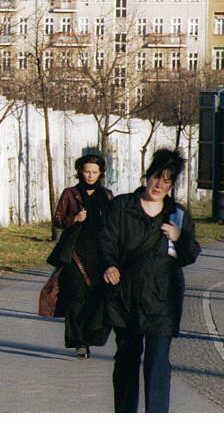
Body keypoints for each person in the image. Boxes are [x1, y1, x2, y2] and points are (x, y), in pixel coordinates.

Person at [98, 148, 201, 412]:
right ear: (148, 175)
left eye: (166, 181)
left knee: (158, 365)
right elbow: (106, 241)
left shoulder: (177, 215)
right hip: (126, 298)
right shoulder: (121, 207)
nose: (159, 185)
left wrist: (180, 237)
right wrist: (109, 265)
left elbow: (190, 256)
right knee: (126, 362)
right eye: (157, 177)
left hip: (162, 301)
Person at [47, 154, 113, 358]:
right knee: (76, 296)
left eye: (95, 171)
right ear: (80, 171)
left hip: (100, 253)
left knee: (97, 296)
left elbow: (114, 224)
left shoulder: (107, 195)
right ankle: (79, 342)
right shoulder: (70, 193)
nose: (91, 175)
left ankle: (91, 336)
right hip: (75, 252)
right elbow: (57, 220)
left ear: (101, 172)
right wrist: (73, 219)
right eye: (87, 171)